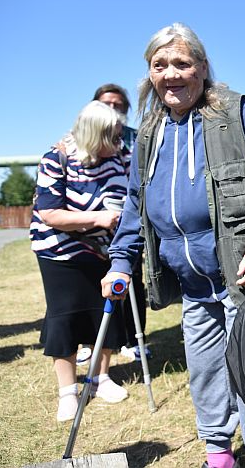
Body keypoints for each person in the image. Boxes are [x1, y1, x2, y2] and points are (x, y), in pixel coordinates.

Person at [101, 23, 245, 468]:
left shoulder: (235, 113)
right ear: (150, 74)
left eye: (182, 63)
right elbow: (135, 206)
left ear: (203, 69)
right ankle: (219, 456)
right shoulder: (148, 133)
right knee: (206, 376)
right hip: (193, 286)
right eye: (160, 65)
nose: (171, 74)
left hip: (241, 278)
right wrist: (118, 263)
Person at [30, 101, 130, 422]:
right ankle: (68, 392)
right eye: (112, 138)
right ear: (92, 135)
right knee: (66, 317)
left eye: (119, 137)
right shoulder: (56, 158)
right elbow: (49, 212)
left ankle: (101, 378)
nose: (118, 144)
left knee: (107, 313)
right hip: (61, 252)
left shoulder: (119, 155)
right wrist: (99, 218)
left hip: (107, 250)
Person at [92, 83, 150, 363]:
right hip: (94, 224)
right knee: (99, 281)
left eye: (118, 105)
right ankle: (99, 341)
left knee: (133, 280)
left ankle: (133, 339)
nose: (112, 109)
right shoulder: (82, 135)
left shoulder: (136, 138)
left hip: (127, 217)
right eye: (107, 103)